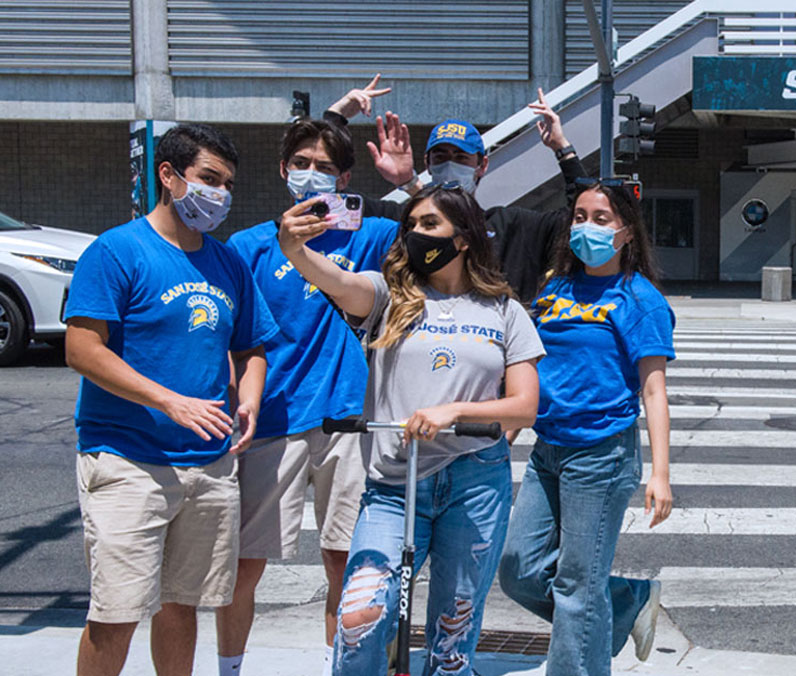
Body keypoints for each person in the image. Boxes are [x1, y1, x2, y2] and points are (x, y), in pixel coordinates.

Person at [276, 183, 545, 676]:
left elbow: (525, 407)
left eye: (429, 225)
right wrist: (295, 249)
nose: (416, 234)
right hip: (394, 486)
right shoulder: (386, 296)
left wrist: (454, 411)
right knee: (360, 619)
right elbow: (337, 282)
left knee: (452, 635)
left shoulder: (505, 311)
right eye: (412, 225)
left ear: (463, 238)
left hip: (475, 481)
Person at [64, 123, 278, 676]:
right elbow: (84, 349)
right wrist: (170, 401)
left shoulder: (226, 261)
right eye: (209, 178)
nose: (220, 195)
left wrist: (248, 400)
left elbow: (251, 346)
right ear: (169, 174)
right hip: (128, 461)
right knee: (117, 613)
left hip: (208, 466)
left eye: (227, 184)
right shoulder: (117, 251)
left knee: (182, 606)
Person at [217, 115, 401, 676]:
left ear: (345, 179)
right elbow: (231, 336)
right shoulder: (247, 246)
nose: (312, 175)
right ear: (282, 170)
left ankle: (337, 666)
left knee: (344, 563)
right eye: (301, 164)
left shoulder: (371, 234)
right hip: (271, 419)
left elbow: (445, 231)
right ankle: (230, 668)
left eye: (325, 167)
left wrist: (407, 177)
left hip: (350, 418)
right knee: (244, 566)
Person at [498, 179, 675, 675]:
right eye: (579, 217)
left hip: (601, 454)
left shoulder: (639, 300)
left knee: (577, 587)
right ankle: (625, 601)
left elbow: (654, 390)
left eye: (601, 219)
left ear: (626, 233)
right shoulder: (554, 290)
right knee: (517, 568)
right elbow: (533, 374)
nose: (586, 227)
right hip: (548, 448)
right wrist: (506, 432)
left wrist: (660, 474)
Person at [325, 80, 586, 304]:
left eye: (461, 158)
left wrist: (562, 148)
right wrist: (335, 119)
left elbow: (581, 217)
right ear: (427, 164)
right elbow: (327, 202)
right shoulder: (399, 221)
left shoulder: (514, 227)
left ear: (481, 165)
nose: (450, 164)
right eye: (441, 157)